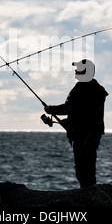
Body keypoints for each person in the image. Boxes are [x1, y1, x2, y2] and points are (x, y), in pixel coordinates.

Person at [44, 59, 108, 188]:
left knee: (83, 169)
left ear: (86, 71)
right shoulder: (95, 89)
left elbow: (70, 108)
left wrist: (51, 109)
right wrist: (69, 121)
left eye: (78, 68)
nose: (75, 70)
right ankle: (90, 193)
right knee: (87, 166)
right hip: (91, 133)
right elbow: (84, 112)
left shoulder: (83, 89)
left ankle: (88, 195)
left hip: (83, 134)